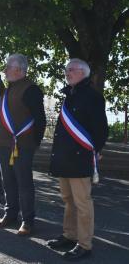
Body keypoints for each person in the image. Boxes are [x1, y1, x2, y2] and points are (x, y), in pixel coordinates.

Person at [46, 59, 108, 261]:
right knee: (68, 200)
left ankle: (84, 244)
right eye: (66, 69)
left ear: (83, 73)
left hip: (80, 158)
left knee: (82, 203)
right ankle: (70, 235)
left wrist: (95, 150)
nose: (67, 72)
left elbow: (101, 130)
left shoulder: (93, 97)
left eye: (71, 70)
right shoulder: (70, 95)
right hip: (65, 158)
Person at [0, 54, 46, 235]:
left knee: (24, 183)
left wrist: (33, 142)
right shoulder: (9, 89)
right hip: (5, 145)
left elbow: (40, 119)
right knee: (8, 181)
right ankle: (10, 214)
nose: (5, 70)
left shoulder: (31, 89)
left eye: (8, 67)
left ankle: (28, 221)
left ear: (19, 70)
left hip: (22, 145)